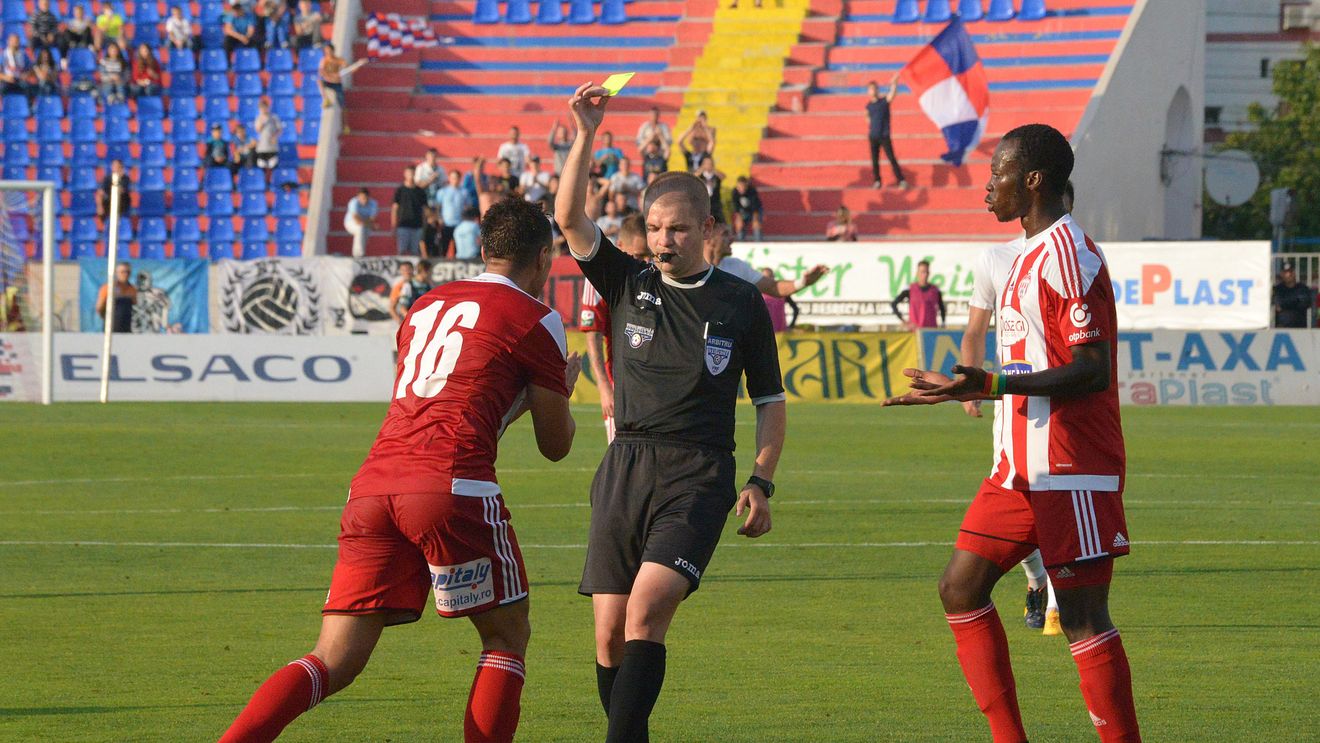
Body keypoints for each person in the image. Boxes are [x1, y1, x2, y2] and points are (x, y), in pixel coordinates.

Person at [217, 197, 582, 743]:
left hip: (373, 487)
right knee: (505, 637)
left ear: (482, 250)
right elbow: (556, 446)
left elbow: (440, 401)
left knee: (333, 658)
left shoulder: (426, 305)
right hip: (451, 487)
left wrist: (515, 401)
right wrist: (558, 394)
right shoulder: (537, 318)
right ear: (544, 258)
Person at [884, 124, 1140, 743]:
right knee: (959, 587)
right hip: (1017, 466)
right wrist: (977, 387)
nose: (986, 187)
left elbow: (1092, 369)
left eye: (997, 172)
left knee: (1081, 618)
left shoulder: (1068, 256)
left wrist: (994, 385)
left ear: (1032, 181)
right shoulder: (1022, 255)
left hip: (1070, 465)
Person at [555, 82, 785, 743]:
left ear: (709, 230)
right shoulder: (629, 282)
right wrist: (585, 133)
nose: (663, 240)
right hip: (624, 463)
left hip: (699, 472)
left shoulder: (741, 304)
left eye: (678, 228)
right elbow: (570, 217)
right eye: (654, 228)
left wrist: (762, 479)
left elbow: (769, 404)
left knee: (647, 611)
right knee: (607, 635)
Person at [961, 180, 1076, 634]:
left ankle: (1059, 601)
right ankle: (1035, 579)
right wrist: (970, 382)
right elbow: (975, 329)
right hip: (1013, 407)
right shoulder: (996, 259)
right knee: (1017, 497)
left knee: (1055, 511)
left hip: (1064, 412)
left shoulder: (1073, 257)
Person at [579, 213, 649, 444]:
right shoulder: (600, 280)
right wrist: (604, 387)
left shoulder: (655, 275)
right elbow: (593, 335)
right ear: (620, 246)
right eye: (639, 255)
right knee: (623, 468)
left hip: (656, 389)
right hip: (620, 390)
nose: (645, 261)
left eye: (649, 256)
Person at [704, 220, 828, 299]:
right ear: (708, 236)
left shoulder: (737, 267)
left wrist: (802, 282)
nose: (732, 238)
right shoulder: (690, 267)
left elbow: (773, 287)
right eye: (725, 234)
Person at [866, 76, 908, 189]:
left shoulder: (883, 102)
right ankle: (877, 181)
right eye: (870, 89)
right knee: (875, 161)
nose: (872, 91)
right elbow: (868, 119)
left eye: (874, 88)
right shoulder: (868, 106)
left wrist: (894, 84)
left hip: (884, 136)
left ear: (877, 90)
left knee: (891, 158)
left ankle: (901, 180)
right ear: (868, 92)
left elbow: (892, 94)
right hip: (873, 136)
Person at [891, 260, 945, 329]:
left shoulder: (935, 290)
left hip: (931, 330)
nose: (925, 275)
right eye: (922, 272)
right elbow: (893, 304)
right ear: (917, 273)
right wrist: (904, 321)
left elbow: (942, 308)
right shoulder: (910, 289)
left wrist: (943, 323)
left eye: (927, 272)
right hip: (915, 331)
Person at [433, 169, 470, 259]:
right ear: (449, 178)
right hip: (446, 223)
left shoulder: (464, 192)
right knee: (443, 247)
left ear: (460, 179)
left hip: (459, 224)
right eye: (453, 178)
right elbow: (438, 207)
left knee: (459, 248)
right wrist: (439, 218)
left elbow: (468, 207)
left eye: (457, 178)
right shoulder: (442, 192)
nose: (455, 180)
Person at [96, 261, 137, 333]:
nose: (125, 274)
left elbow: (134, 306)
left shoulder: (132, 289)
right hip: (111, 327)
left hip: (126, 327)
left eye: (128, 272)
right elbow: (99, 307)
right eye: (122, 272)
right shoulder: (108, 288)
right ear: (116, 273)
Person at [1273, 261, 1315, 328]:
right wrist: (1296, 300)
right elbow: (1278, 306)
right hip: (1281, 329)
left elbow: (1304, 304)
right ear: (1281, 274)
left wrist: (1285, 304)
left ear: (1294, 273)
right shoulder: (1277, 289)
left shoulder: (1303, 288)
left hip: (1300, 328)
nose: (1288, 274)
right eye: (1285, 272)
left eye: (1290, 272)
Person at [97, 159, 132, 226]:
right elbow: (100, 193)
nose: (114, 168)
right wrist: (99, 206)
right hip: (109, 202)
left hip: (122, 203)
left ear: (120, 167)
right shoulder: (107, 178)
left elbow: (122, 190)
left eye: (116, 166)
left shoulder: (125, 178)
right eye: (113, 166)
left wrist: (119, 178)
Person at [344, 188, 377, 258]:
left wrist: (369, 224)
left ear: (369, 197)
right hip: (350, 223)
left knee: (366, 231)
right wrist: (371, 225)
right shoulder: (353, 202)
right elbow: (356, 219)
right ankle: (357, 254)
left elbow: (372, 219)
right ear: (358, 197)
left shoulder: (373, 203)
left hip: (364, 223)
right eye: (362, 198)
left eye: (365, 198)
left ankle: (362, 252)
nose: (364, 200)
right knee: (360, 228)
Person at [253, 98, 284, 176]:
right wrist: (263, 121)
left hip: (272, 147)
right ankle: (263, 183)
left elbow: (280, 129)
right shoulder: (258, 118)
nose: (263, 109)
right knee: (261, 165)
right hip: (262, 147)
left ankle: (273, 181)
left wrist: (275, 137)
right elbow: (258, 130)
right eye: (261, 107)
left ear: (268, 107)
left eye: (265, 107)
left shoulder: (274, 117)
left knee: (273, 165)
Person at [730, 176, 763, 241]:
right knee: (739, 227)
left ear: (746, 185)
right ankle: (740, 242)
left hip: (755, 211)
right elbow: (736, 207)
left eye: (742, 186)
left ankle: (759, 243)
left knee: (757, 226)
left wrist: (755, 220)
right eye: (739, 187)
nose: (741, 189)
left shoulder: (752, 191)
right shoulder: (735, 192)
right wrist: (738, 220)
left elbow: (755, 207)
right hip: (742, 212)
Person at [695, 154, 725, 224]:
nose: (708, 165)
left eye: (710, 163)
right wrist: (702, 169)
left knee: (718, 223)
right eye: (706, 163)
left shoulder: (715, 175)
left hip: (715, 203)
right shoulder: (701, 175)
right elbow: (693, 177)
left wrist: (713, 169)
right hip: (704, 203)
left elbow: (723, 176)